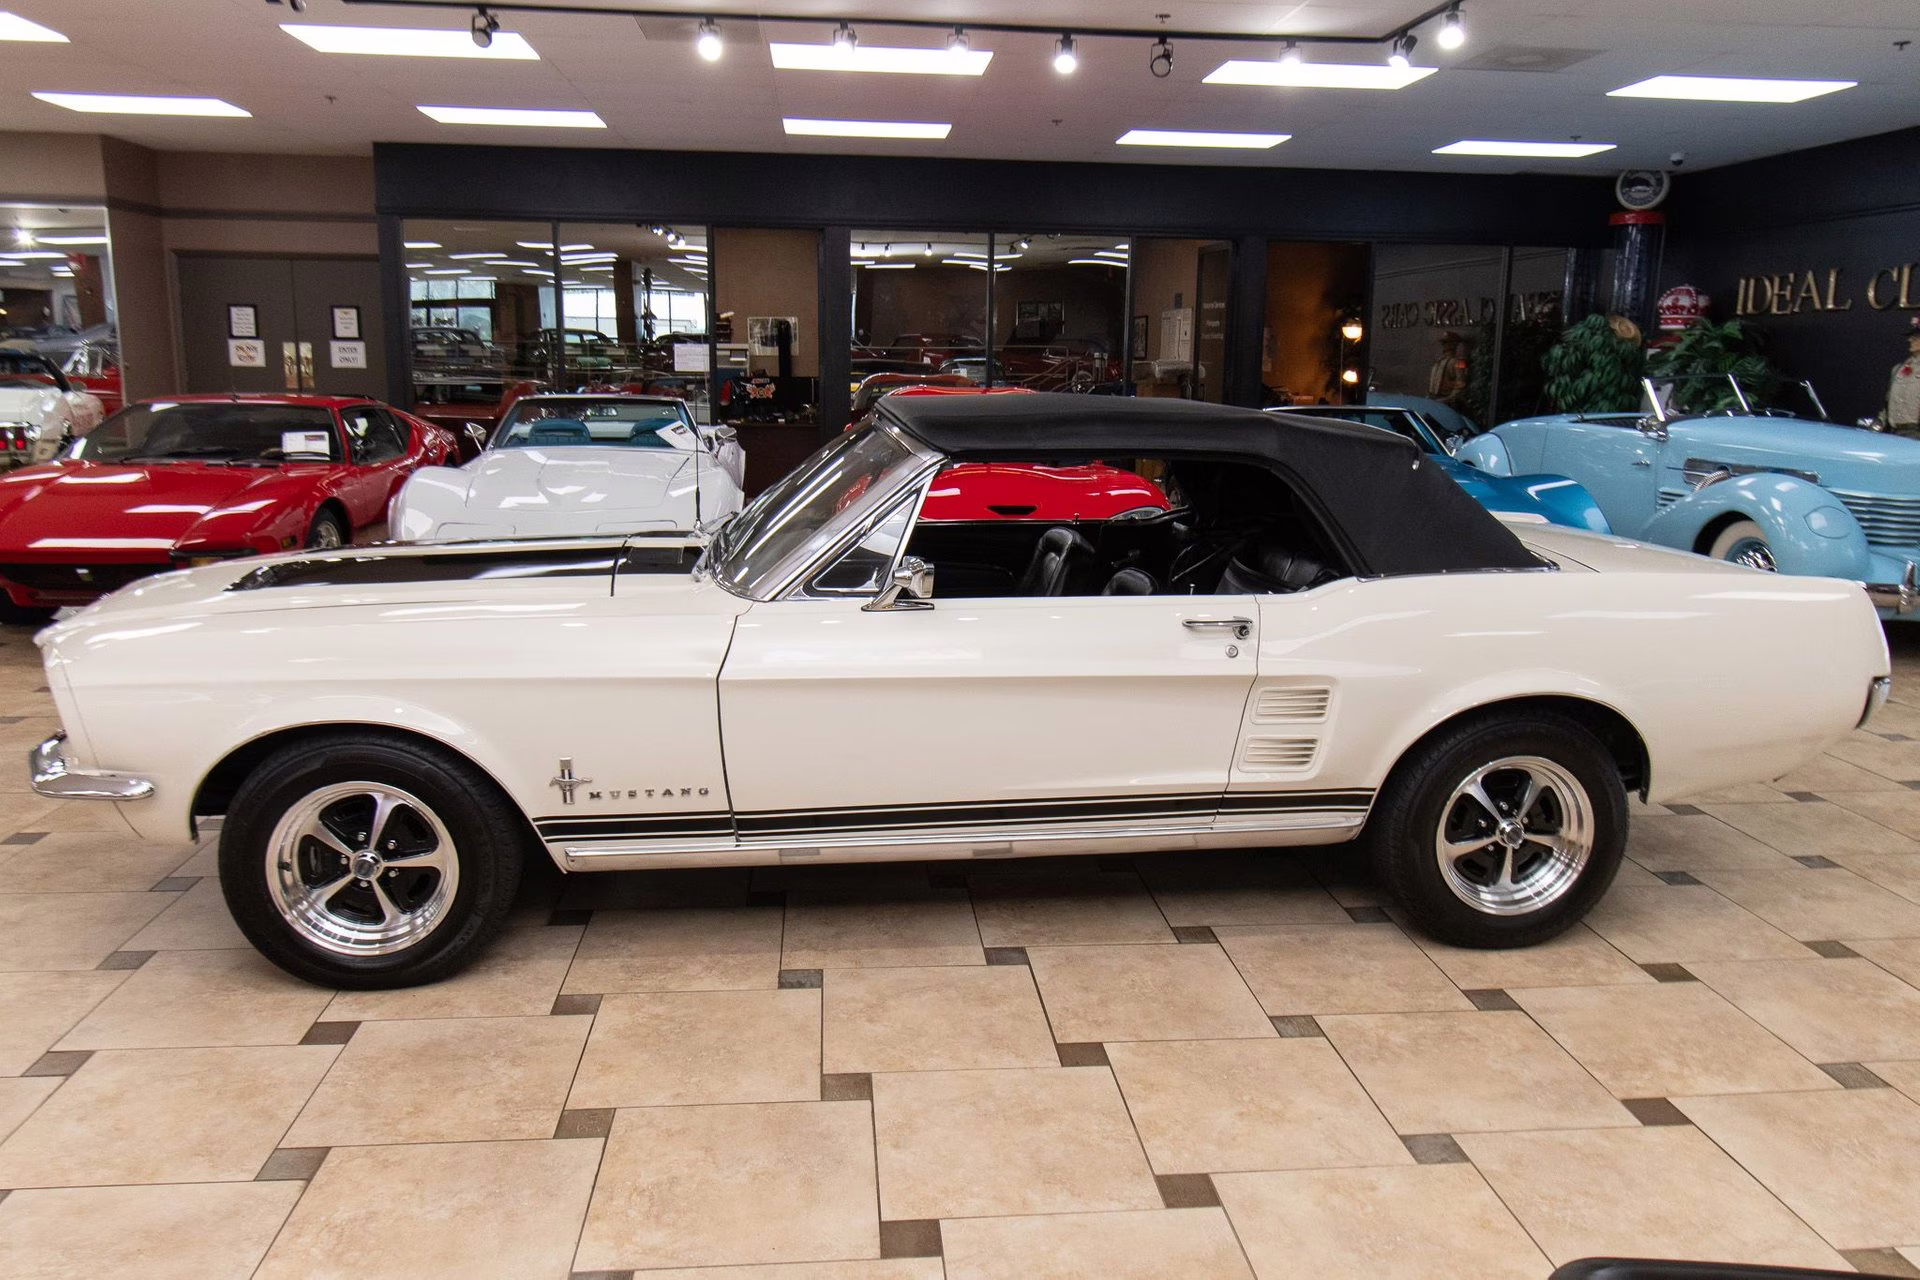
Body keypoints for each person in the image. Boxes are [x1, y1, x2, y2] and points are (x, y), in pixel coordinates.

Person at [1887, 318, 1920, 437]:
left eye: (1916, 338)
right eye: (1911, 337)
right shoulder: (1898, 369)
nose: (1910, 340)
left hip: (1916, 432)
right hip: (1895, 431)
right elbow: (1888, 399)